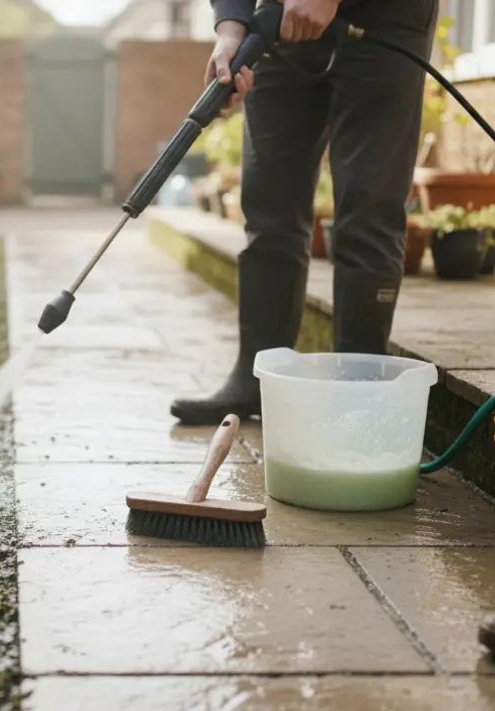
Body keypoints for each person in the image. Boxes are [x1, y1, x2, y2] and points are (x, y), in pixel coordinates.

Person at [171, 0, 438, 425]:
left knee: (369, 206)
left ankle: (358, 394)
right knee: (269, 204)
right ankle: (255, 379)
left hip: (389, 19)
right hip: (282, 22)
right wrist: (231, 25)